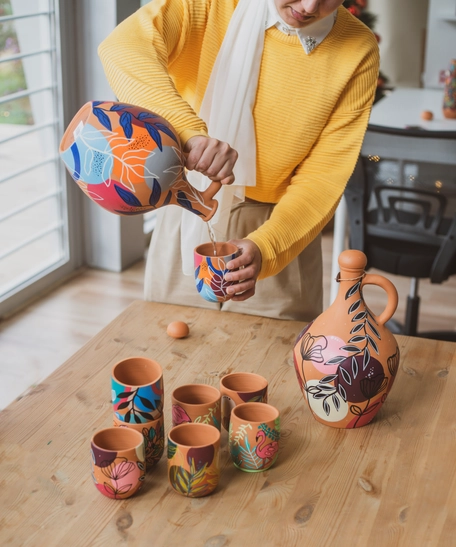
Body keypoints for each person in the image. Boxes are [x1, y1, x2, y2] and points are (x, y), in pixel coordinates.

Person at [98, 0, 379, 321]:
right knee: (171, 347)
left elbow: (324, 176)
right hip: (186, 211)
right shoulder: (211, 5)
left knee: (272, 362)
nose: (310, 6)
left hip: (281, 227)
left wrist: (268, 247)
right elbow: (122, 48)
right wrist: (188, 133)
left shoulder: (358, 49)